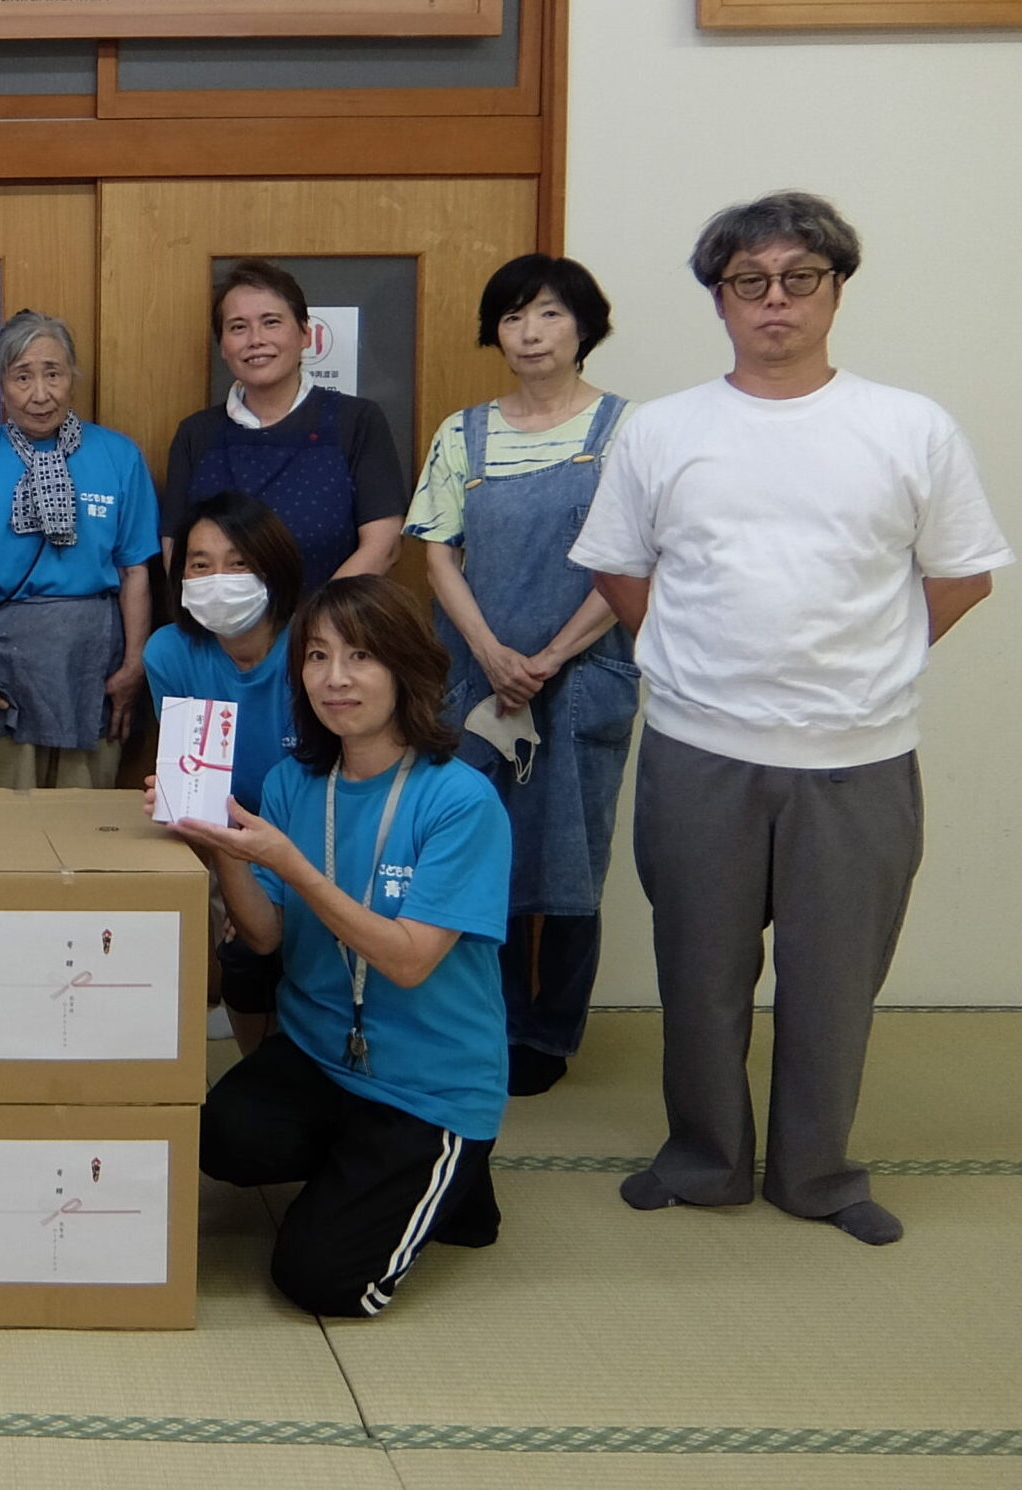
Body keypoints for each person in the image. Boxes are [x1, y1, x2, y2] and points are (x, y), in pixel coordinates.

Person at [570, 191, 1010, 1246]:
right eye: (748, 282)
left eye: (797, 279)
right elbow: (623, 574)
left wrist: (865, 663)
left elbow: (960, 575)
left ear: (835, 289)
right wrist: (699, 665)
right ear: (718, 300)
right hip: (697, 747)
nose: (774, 301)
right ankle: (703, 1159)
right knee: (700, 972)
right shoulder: (664, 430)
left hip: (858, 753)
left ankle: (817, 1173)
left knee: (834, 981)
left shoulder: (908, 425)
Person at [160, 576, 510, 1318]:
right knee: (221, 1140)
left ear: (406, 667)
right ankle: (383, 1177)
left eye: (360, 656)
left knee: (319, 1282)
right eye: (316, 656)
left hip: (426, 1081)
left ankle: (448, 1172)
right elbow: (266, 935)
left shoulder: (459, 799)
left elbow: (409, 960)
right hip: (322, 1053)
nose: (335, 678)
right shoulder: (295, 781)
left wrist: (288, 862)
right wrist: (222, 845)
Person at [406, 254, 637, 1097]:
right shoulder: (462, 432)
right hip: (479, 679)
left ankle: (549, 1035)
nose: (529, 334)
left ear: (583, 325)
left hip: (584, 678)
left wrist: (549, 658)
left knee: (571, 860)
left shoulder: (624, 431)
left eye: (547, 315)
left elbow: (635, 562)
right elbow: (436, 554)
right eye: (511, 317)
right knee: (476, 852)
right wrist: (495, 655)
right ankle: (488, 1023)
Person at [0, 309, 158, 790]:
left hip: (93, 658)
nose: (39, 394)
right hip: (1, 661)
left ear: (72, 376)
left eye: (52, 373)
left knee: (87, 818)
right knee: (6, 824)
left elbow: (135, 570)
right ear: (0, 385)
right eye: (22, 376)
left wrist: (134, 662)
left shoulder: (118, 457)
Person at [140, 490, 304, 1051]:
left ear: (273, 566)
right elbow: (198, 786)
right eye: (200, 564)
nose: (219, 579)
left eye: (239, 563)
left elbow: (338, 786)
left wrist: (271, 884)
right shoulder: (169, 653)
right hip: (232, 836)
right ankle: (260, 1065)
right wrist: (244, 890)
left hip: (316, 833)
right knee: (241, 948)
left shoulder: (314, 647)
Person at [161, 260, 405, 586]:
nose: (255, 339)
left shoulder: (357, 421)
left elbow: (383, 546)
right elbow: (176, 553)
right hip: (221, 633)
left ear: (306, 333)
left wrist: (311, 629)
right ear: (222, 346)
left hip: (329, 630)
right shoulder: (196, 434)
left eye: (271, 322)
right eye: (237, 327)